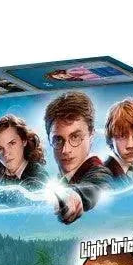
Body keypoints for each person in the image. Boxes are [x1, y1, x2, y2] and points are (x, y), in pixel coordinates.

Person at [44, 92, 113, 224]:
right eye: (58, 139)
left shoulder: (100, 172)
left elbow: (97, 184)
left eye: (75, 137)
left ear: (91, 136)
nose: (66, 150)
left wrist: (76, 195)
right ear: (49, 139)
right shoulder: (59, 180)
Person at [0, 115, 48, 190]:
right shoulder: (2, 180)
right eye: (0, 149)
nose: (6, 154)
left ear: (24, 141)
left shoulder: (39, 177)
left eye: (12, 143)